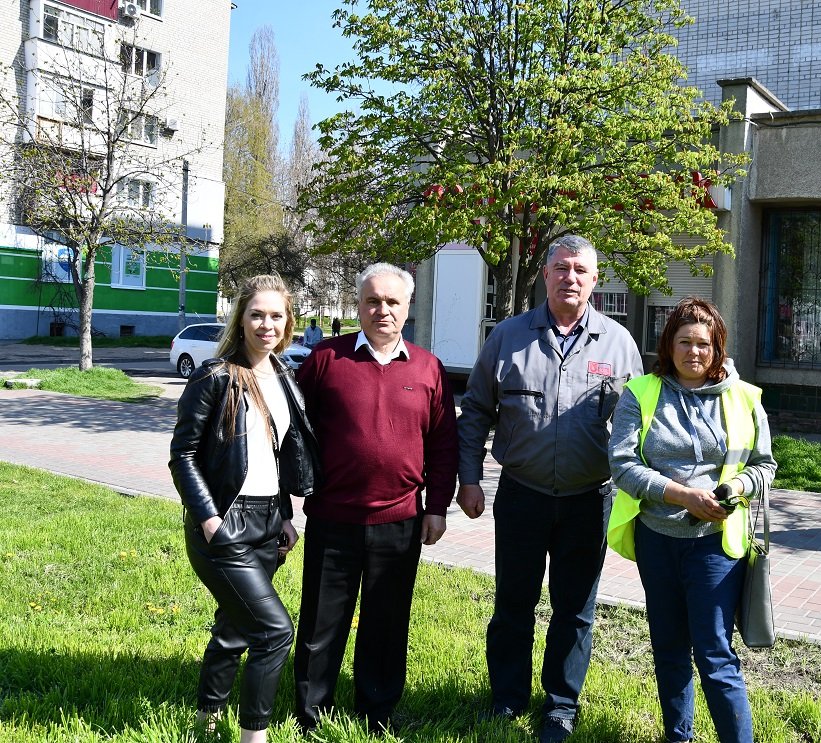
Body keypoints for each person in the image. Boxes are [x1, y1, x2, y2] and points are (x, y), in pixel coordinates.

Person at [456, 234, 643, 743]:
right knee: (512, 604)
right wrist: (468, 479)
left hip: (589, 501)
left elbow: (639, 425)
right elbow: (475, 411)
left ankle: (561, 705)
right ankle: (507, 698)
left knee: (575, 611)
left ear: (595, 279)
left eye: (580, 270)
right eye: (561, 268)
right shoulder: (508, 336)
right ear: (545, 274)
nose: (570, 278)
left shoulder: (619, 344)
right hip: (522, 495)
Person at [292, 263, 459, 735]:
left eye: (392, 302)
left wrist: (436, 508)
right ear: (359, 304)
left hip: (400, 520)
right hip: (333, 518)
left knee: (386, 623)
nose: (382, 310)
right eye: (372, 300)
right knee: (321, 622)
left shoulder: (428, 368)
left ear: (407, 307)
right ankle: (311, 714)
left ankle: (376, 712)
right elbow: (293, 432)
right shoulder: (325, 359)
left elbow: (444, 445)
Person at [608, 297, 777, 743]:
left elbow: (765, 466)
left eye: (703, 343)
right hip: (657, 541)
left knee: (715, 654)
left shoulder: (744, 397)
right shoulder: (640, 392)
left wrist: (734, 489)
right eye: (684, 342)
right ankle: (678, 736)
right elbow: (623, 464)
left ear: (717, 348)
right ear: (669, 344)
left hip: (715, 545)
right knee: (668, 648)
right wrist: (682, 494)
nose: (694, 352)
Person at [169, 274, 319, 743]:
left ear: (288, 322)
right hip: (224, 522)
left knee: (235, 626)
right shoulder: (215, 376)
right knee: (274, 632)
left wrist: (285, 515)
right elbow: (183, 455)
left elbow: (273, 453)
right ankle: (256, 735)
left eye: (276, 316)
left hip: (268, 521)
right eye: (257, 315)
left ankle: (206, 721)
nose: (266, 324)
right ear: (241, 319)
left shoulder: (283, 376)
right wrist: (210, 520)